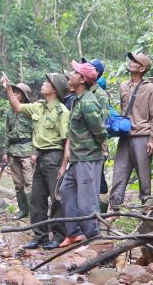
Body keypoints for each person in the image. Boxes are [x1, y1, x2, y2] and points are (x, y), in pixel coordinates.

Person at [1, 72, 70, 250]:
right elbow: (17, 107)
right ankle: (40, 236)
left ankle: (58, 236)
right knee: (37, 199)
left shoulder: (62, 111)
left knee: (56, 200)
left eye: (47, 83)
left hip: (55, 156)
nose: (43, 84)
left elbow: (66, 141)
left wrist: (64, 165)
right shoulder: (38, 107)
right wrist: (8, 88)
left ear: (54, 90)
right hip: (40, 157)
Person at [58, 61, 107, 247]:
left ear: (82, 79)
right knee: (65, 191)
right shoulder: (77, 99)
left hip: (88, 158)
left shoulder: (88, 102)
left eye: (74, 72)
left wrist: (98, 147)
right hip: (77, 158)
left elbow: (100, 130)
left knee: (87, 202)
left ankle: (94, 237)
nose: (70, 74)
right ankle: (73, 233)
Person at [109, 52, 153, 209]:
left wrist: (152, 139)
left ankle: (146, 209)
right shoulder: (123, 86)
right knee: (119, 173)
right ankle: (115, 209)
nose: (130, 62)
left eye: (135, 61)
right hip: (125, 136)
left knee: (144, 176)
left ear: (142, 68)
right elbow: (123, 109)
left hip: (142, 137)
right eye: (131, 59)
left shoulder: (150, 88)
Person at [0, 81, 34, 220]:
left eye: (17, 92)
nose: (14, 94)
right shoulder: (9, 112)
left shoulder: (29, 111)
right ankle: (23, 210)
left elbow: (36, 132)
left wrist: (35, 153)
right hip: (13, 151)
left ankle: (34, 212)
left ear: (24, 96)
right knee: (18, 183)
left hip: (27, 151)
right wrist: (5, 151)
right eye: (12, 91)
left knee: (29, 182)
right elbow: (7, 132)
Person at [82, 57, 110, 214]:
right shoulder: (84, 92)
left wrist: (101, 146)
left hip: (97, 144)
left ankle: (102, 213)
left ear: (96, 73)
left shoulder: (100, 95)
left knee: (99, 179)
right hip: (84, 145)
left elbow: (103, 122)